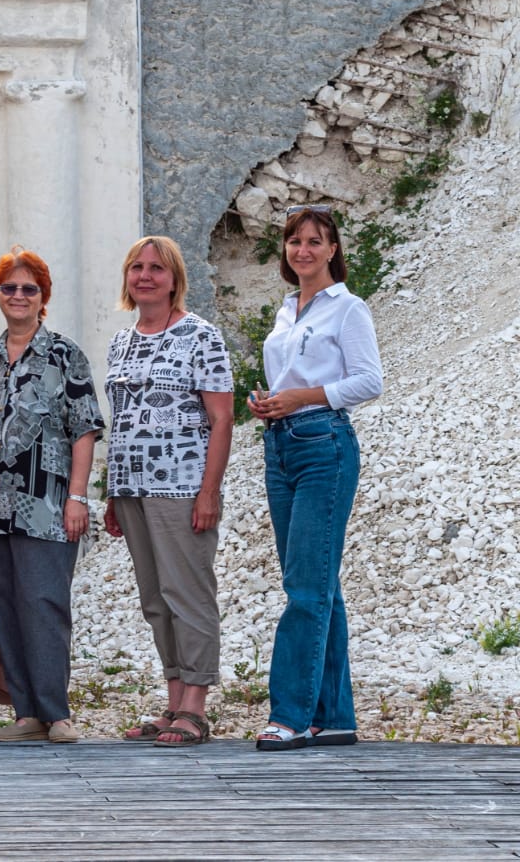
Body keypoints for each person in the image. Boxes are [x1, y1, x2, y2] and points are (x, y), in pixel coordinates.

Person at [249, 206, 382, 751]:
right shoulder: (287, 310)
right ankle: (336, 715)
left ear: (333, 250)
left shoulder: (347, 309)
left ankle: (291, 715)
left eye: (315, 241)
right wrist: (268, 403)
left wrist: (301, 397)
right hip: (281, 444)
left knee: (304, 587)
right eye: (294, 241)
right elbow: (288, 375)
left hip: (323, 444)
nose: (303, 250)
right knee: (319, 583)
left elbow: (369, 380)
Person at [102, 236, 233, 748]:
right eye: (137, 267)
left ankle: (196, 708)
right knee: (155, 600)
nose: (145, 276)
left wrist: (210, 491)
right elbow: (123, 420)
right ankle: (174, 699)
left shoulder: (202, 336)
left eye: (157, 268)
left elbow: (222, 419)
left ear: (175, 278)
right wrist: (114, 492)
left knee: (188, 594)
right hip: (131, 487)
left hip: (181, 486)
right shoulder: (122, 339)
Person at [0, 249, 103, 744]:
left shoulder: (65, 355)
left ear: (43, 296)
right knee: (4, 606)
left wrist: (78, 497)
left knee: (45, 604)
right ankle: (25, 712)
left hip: (47, 505)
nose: (19, 296)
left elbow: (84, 429)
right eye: (10, 288)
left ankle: (57, 711)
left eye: (29, 288)